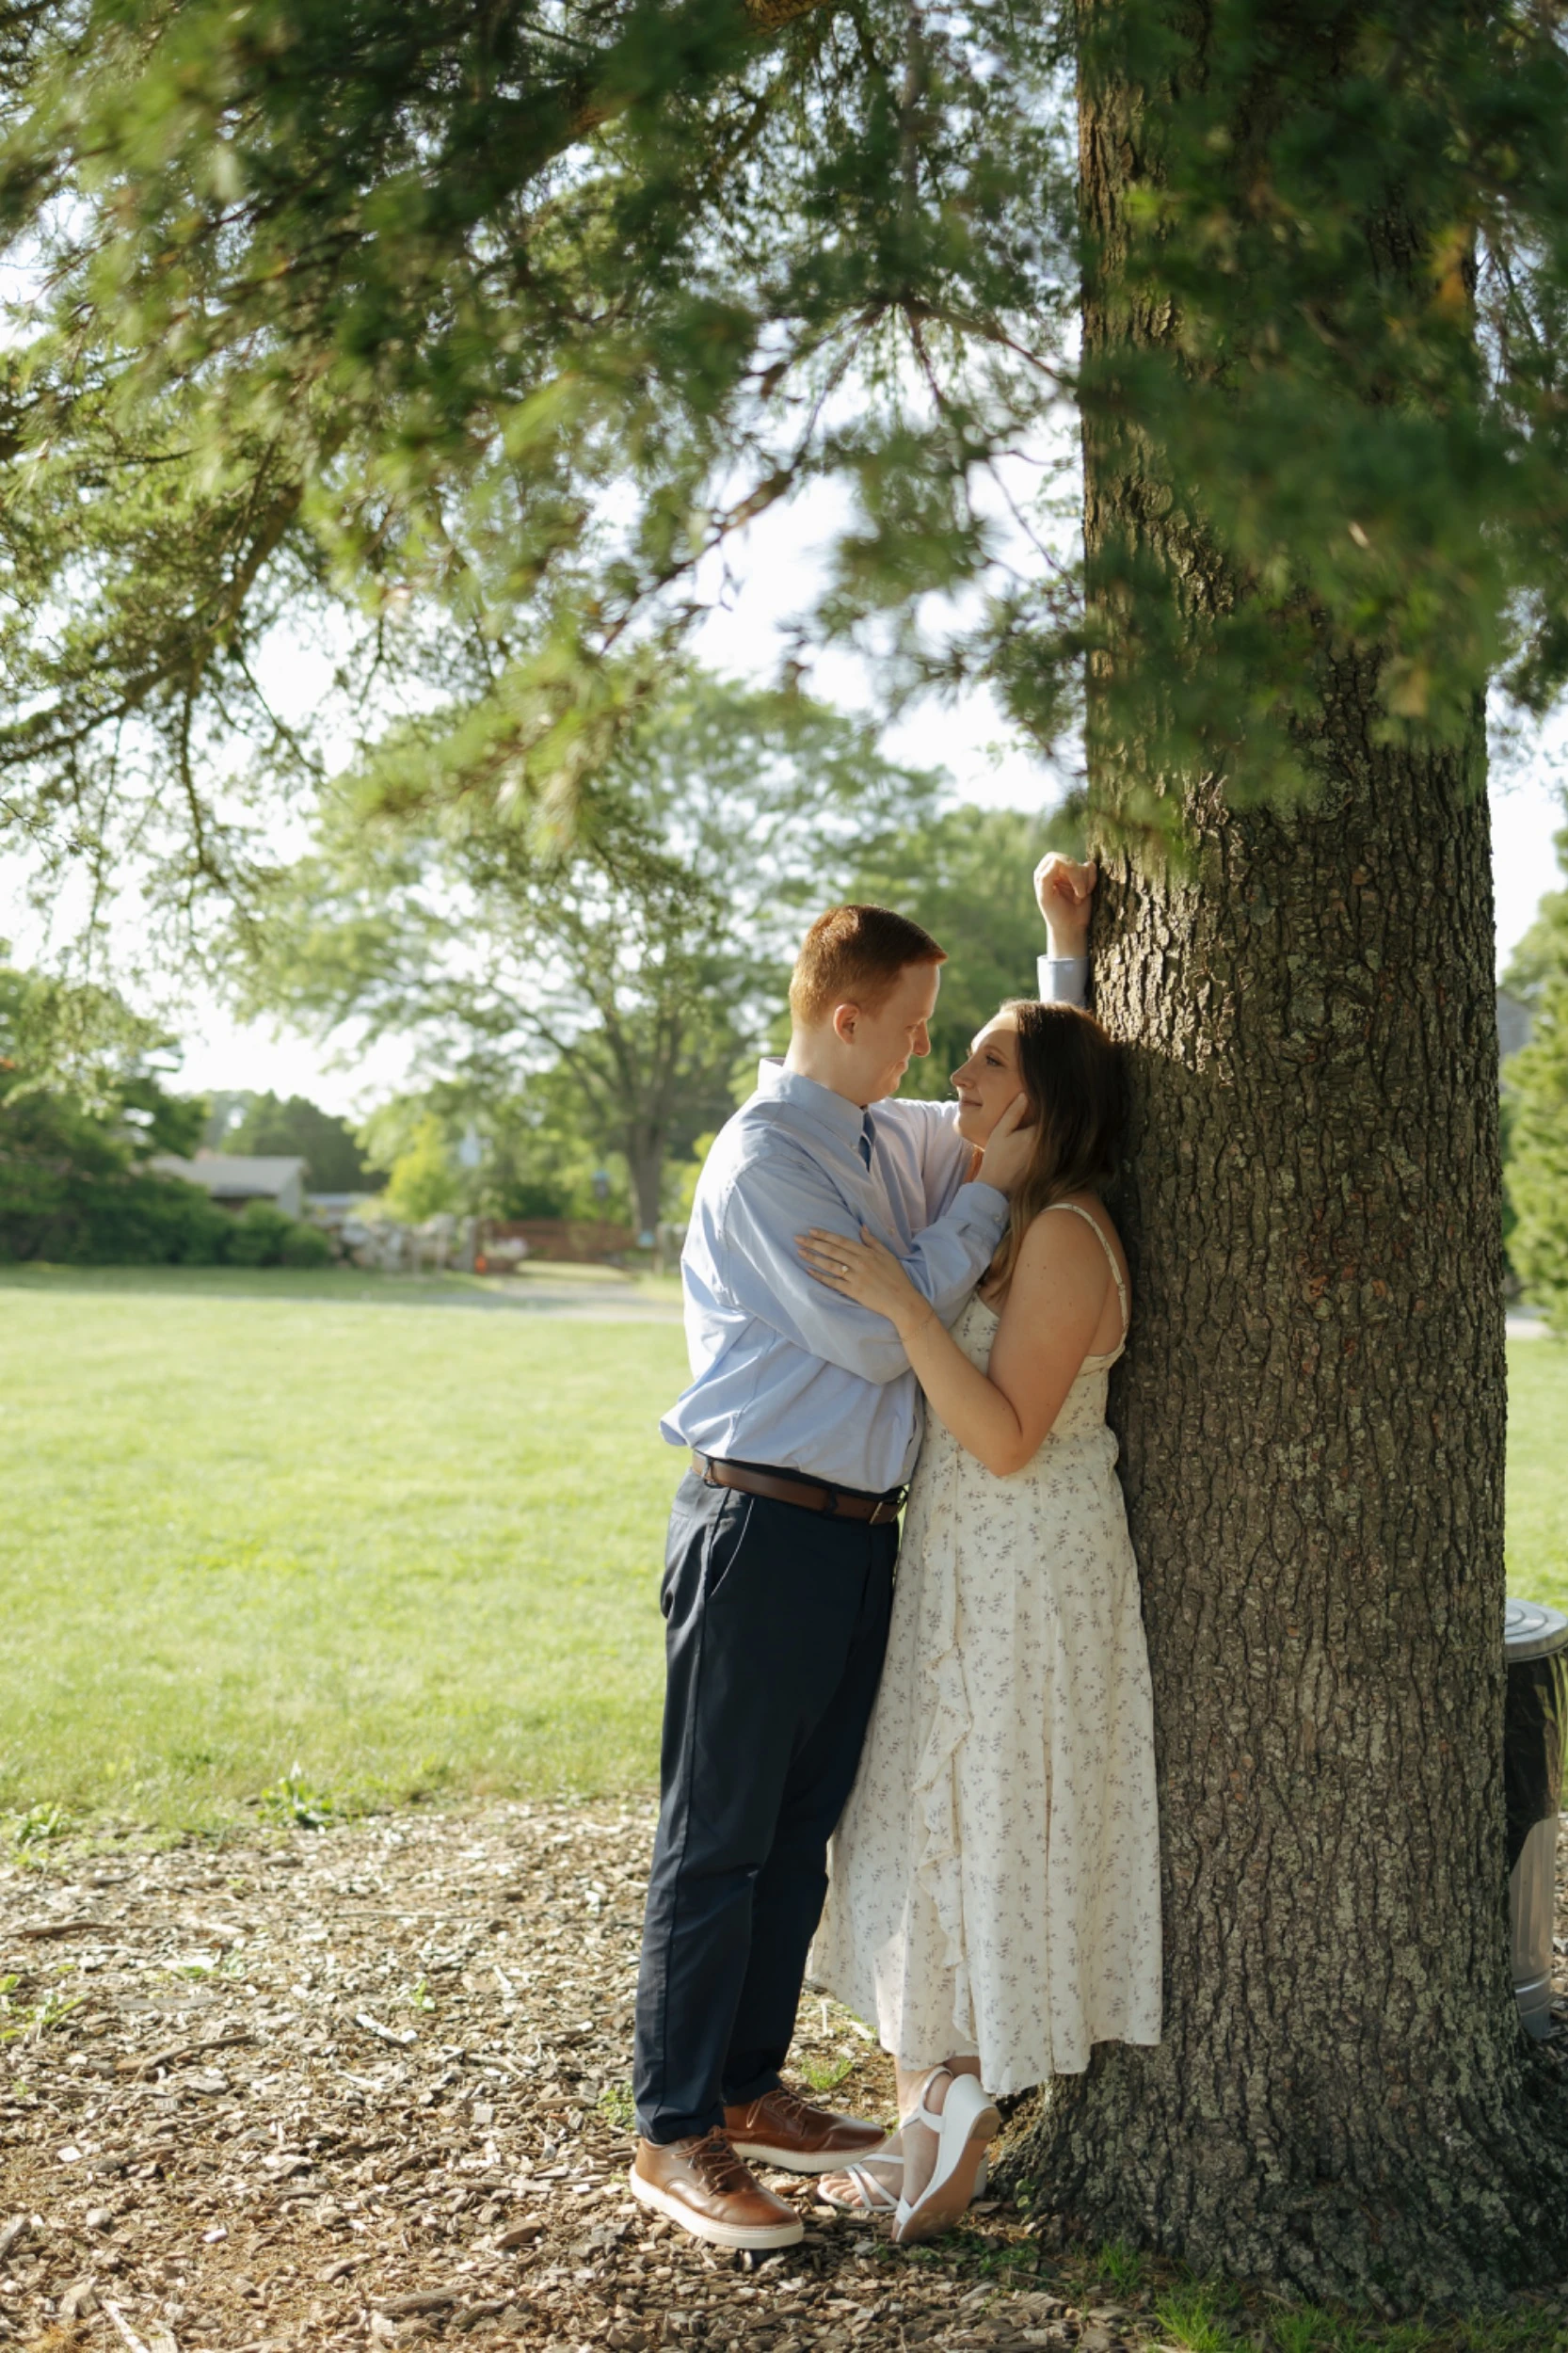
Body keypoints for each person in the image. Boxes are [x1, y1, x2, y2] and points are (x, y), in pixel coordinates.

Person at [628, 858, 1096, 2251]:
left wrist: (1063, 958)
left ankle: (749, 2089)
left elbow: (1022, 1116)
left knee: (793, 1839)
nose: (924, 1057)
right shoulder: (768, 1157)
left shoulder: (877, 1137)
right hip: (755, 1524)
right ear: (841, 1017)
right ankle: (670, 2134)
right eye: (907, 1028)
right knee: (714, 1841)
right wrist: (958, 1237)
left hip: (857, 1541)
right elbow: (864, 1335)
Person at [797, 995, 1160, 2245]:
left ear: (1040, 1102)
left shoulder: (1063, 1233)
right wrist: (1056, 938)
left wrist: (904, 1306)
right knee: (920, 1815)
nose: (953, 1076)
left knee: (987, 1815)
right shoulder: (997, 1215)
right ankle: (934, 2120)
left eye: (985, 1063)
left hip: (1028, 1566)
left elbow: (1007, 1439)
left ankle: (953, 2116)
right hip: (963, 1560)